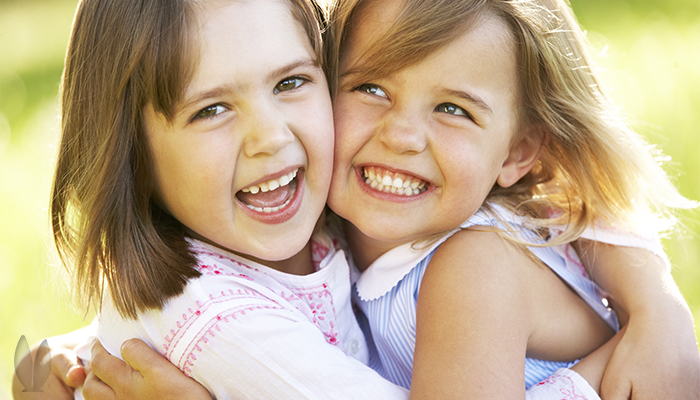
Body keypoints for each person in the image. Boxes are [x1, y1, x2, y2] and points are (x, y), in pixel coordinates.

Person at [13, 0, 700, 399]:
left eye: (454, 109)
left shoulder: (471, 267)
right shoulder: (335, 219)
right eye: (370, 88)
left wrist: (656, 306)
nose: (400, 136)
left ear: (521, 152)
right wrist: (86, 352)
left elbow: (586, 195)